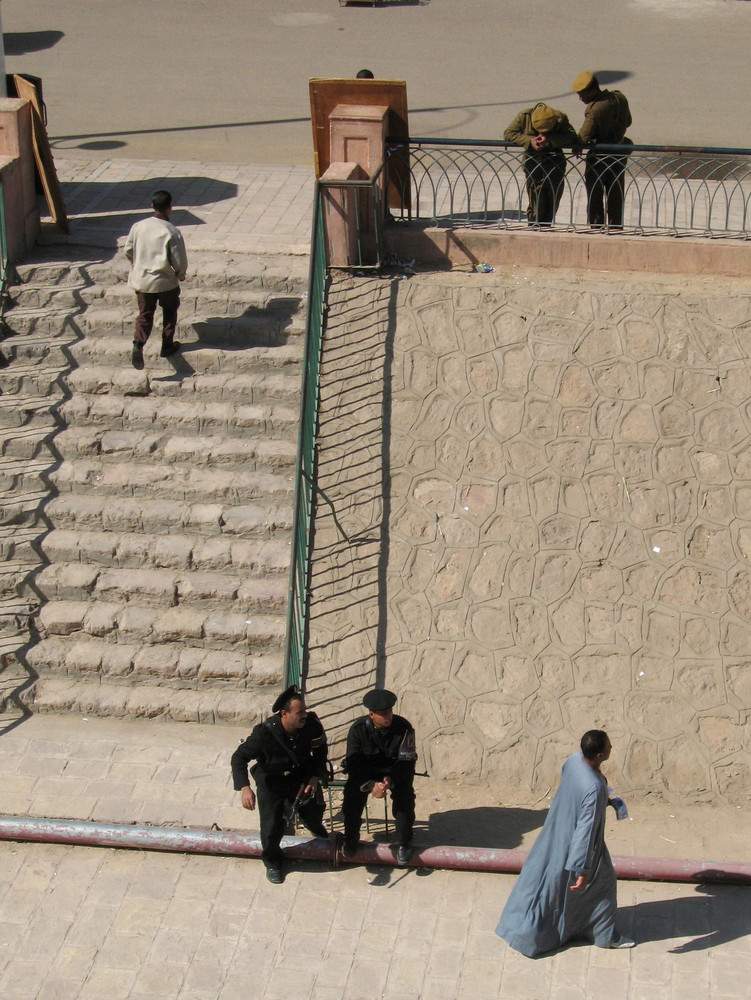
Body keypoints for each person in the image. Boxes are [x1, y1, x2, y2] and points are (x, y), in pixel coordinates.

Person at [495, 730, 635, 956]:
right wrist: (582, 868)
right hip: (577, 846)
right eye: (609, 747)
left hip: (555, 830)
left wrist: (602, 801)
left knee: (542, 880)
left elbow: (573, 787)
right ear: (599, 755)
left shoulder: (573, 761)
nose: (612, 748)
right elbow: (586, 831)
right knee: (604, 883)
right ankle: (605, 935)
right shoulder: (594, 788)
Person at [231, 685, 329, 884]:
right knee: (271, 825)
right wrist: (245, 788)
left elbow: (320, 752)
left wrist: (314, 776)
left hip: (299, 776)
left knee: (312, 810)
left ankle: (319, 834)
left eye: (305, 710)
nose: (304, 715)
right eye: (299, 712)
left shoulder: (311, 725)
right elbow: (238, 758)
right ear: (284, 714)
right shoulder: (263, 734)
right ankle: (273, 862)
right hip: (272, 780)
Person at [341, 688, 417, 866]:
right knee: (352, 797)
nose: (388, 716)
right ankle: (350, 838)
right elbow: (354, 763)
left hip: (395, 771)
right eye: (383, 714)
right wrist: (370, 785)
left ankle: (404, 843)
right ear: (371, 714)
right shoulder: (358, 730)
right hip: (366, 773)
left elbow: (407, 761)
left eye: (390, 712)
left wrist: (391, 780)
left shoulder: (404, 728)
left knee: (404, 797)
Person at [124, 189, 188, 370]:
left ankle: (138, 343)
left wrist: (136, 264)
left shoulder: (138, 226)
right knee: (169, 312)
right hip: (165, 281)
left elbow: (128, 250)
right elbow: (179, 260)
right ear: (170, 208)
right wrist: (180, 273)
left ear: (152, 206)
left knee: (145, 314)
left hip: (142, 281)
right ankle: (167, 345)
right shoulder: (172, 231)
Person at [572, 71, 633, 229]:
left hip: (599, 159)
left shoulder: (594, 110)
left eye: (582, 94)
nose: (580, 98)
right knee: (616, 195)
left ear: (593, 91)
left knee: (595, 196)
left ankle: (596, 228)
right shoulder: (619, 98)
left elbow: (583, 138)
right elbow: (628, 122)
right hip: (619, 153)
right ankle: (616, 228)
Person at [504, 103, 578, 227]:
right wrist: (529, 140)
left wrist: (549, 139)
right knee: (536, 203)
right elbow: (509, 133)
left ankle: (546, 227)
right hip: (533, 164)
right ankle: (534, 226)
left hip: (554, 165)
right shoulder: (524, 116)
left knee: (552, 201)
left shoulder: (560, 118)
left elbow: (571, 136)